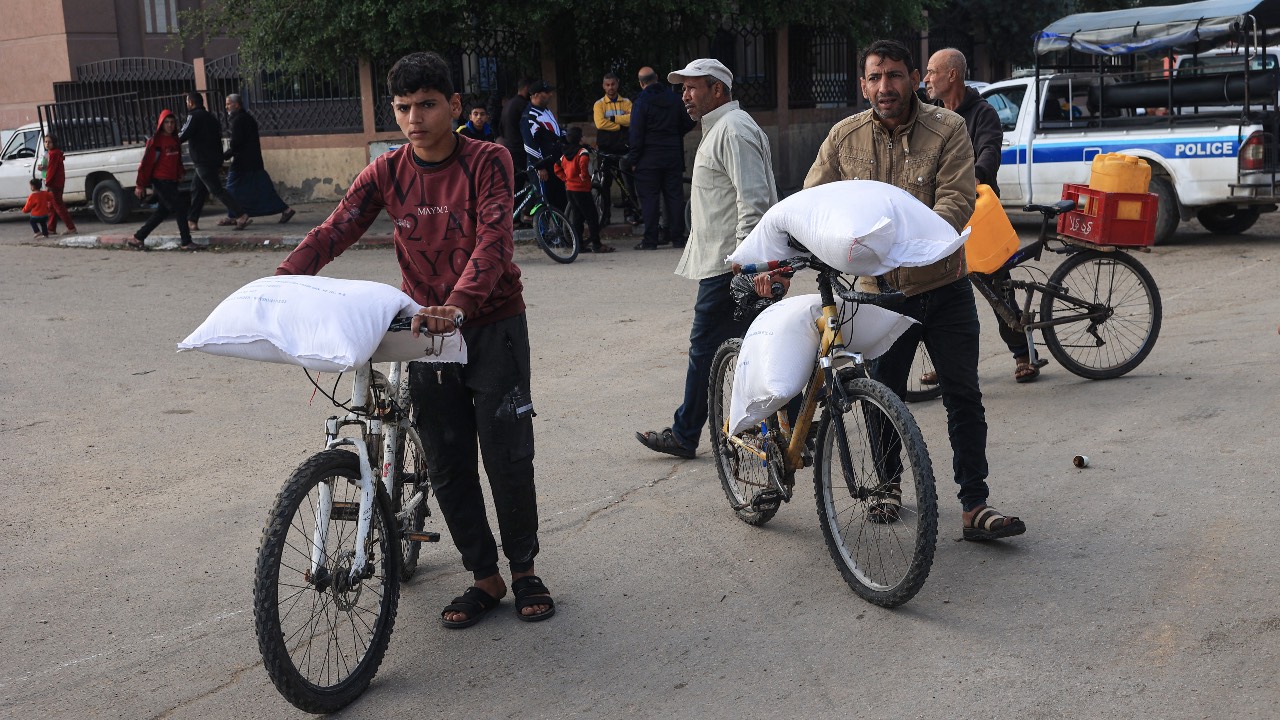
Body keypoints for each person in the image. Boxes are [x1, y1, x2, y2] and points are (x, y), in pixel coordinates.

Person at [273, 51, 554, 627]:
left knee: (506, 454)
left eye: (426, 105)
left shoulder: (488, 159)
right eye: (402, 108)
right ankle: (485, 577)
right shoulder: (387, 171)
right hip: (425, 332)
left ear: (453, 106)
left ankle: (524, 568)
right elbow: (336, 229)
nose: (414, 118)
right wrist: (278, 284)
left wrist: (460, 304)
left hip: (491, 321)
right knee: (448, 459)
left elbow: (496, 240)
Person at [804, 39, 1026, 542]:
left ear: (915, 80)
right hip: (879, 297)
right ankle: (886, 487)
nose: (886, 87)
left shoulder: (948, 129)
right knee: (881, 395)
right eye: (876, 77)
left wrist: (896, 243)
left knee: (964, 396)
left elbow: (955, 203)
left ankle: (975, 504)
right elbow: (812, 200)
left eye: (896, 76)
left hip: (945, 287)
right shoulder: (843, 137)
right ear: (863, 85)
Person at [635, 59, 778, 458]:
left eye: (692, 87)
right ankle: (773, 424)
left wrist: (747, 263)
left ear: (718, 90)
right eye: (683, 88)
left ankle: (686, 434)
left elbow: (754, 199)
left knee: (711, 349)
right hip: (730, 262)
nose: (685, 95)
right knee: (752, 347)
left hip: (730, 265)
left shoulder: (732, 130)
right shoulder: (724, 128)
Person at [925, 47, 1038, 385]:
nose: (927, 78)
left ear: (952, 75)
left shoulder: (983, 113)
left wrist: (975, 175)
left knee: (997, 289)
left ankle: (1024, 356)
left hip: (979, 212)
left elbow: (990, 149)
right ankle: (946, 365)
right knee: (935, 294)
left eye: (932, 71)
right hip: (940, 216)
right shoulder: (930, 115)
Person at [626, 66, 695, 250]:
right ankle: (678, 237)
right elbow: (689, 121)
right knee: (674, 196)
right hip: (672, 154)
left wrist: (634, 159)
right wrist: (674, 134)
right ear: (657, 77)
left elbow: (636, 133)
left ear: (641, 83)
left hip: (648, 159)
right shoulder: (674, 98)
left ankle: (650, 240)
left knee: (650, 199)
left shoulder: (641, 102)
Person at [179, 92, 251, 232]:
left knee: (216, 189)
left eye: (187, 102)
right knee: (197, 189)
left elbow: (183, 134)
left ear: (191, 103)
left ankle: (241, 214)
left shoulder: (193, 116)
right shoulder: (211, 118)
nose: (187, 105)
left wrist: (167, 140)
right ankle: (192, 221)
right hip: (212, 159)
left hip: (203, 161)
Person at [222, 94, 296, 225]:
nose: (226, 107)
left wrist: (225, 155)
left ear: (237, 105)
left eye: (228, 104)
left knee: (231, 187)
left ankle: (235, 215)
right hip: (252, 160)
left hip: (243, 162)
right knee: (261, 188)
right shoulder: (246, 118)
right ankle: (234, 214)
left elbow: (237, 143)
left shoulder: (239, 120)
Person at [129, 109, 193, 251]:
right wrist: (140, 185)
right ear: (161, 124)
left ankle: (138, 238)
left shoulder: (175, 140)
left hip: (172, 180)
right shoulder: (155, 142)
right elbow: (146, 164)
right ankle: (186, 242)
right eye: (167, 122)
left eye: (172, 122)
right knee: (180, 208)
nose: (170, 125)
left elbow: (177, 160)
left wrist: (180, 173)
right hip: (160, 180)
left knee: (162, 212)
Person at [555, 126, 612, 253]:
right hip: (581, 189)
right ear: (580, 139)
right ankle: (597, 244)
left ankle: (579, 245)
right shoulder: (582, 152)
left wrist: (565, 178)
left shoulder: (565, 154)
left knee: (577, 217)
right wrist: (584, 176)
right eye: (583, 136)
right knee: (592, 216)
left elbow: (556, 167)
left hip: (569, 188)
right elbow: (583, 164)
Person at [592, 72, 637, 226]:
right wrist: (620, 125)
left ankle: (630, 214)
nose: (610, 87)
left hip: (623, 149)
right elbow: (599, 124)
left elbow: (632, 119)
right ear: (603, 86)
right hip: (605, 150)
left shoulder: (626, 102)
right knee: (604, 185)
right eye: (607, 85)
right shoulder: (599, 104)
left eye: (613, 84)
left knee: (627, 183)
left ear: (617, 84)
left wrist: (611, 119)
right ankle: (605, 216)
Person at [521, 80, 568, 212]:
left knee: (559, 199)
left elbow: (555, 131)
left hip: (554, 162)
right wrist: (539, 166)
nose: (550, 95)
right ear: (535, 95)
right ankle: (544, 231)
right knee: (545, 201)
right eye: (546, 92)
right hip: (542, 166)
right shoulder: (529, 116)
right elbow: (530, 144)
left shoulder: (545, 111)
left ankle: (561, 229)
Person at [499, 78, 531, 192]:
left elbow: (501, 127)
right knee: (533, 180)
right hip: (519, 150)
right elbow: (528, 128)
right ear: (527, 88)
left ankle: (516, 207)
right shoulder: (523, 105)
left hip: (509, 148)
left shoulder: (508, 104)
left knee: (516, 184)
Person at [41, 135, 77, 235]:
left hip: (54, 184)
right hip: (57, 183)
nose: (47, 144)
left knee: (59, 207)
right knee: (51, 207)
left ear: (54, 143)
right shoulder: (53, 153)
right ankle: (51, 228)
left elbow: (51, 171)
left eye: (49, 142)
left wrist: (48, 184)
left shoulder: (53, 154)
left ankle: (71, 228)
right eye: (45, 142)